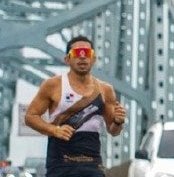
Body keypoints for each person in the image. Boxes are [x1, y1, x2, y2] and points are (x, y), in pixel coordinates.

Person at [24, 35, 127, 177]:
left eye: (87, 53)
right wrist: (54, 130)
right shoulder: (53, 85)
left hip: (91, 164)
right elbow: (30, 116)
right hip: (60, 164)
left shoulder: (105, 90)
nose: (83, 57)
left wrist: (118, 121)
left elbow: (114, 131)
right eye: (78, 53)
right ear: (67, 59)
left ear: (94, 59)